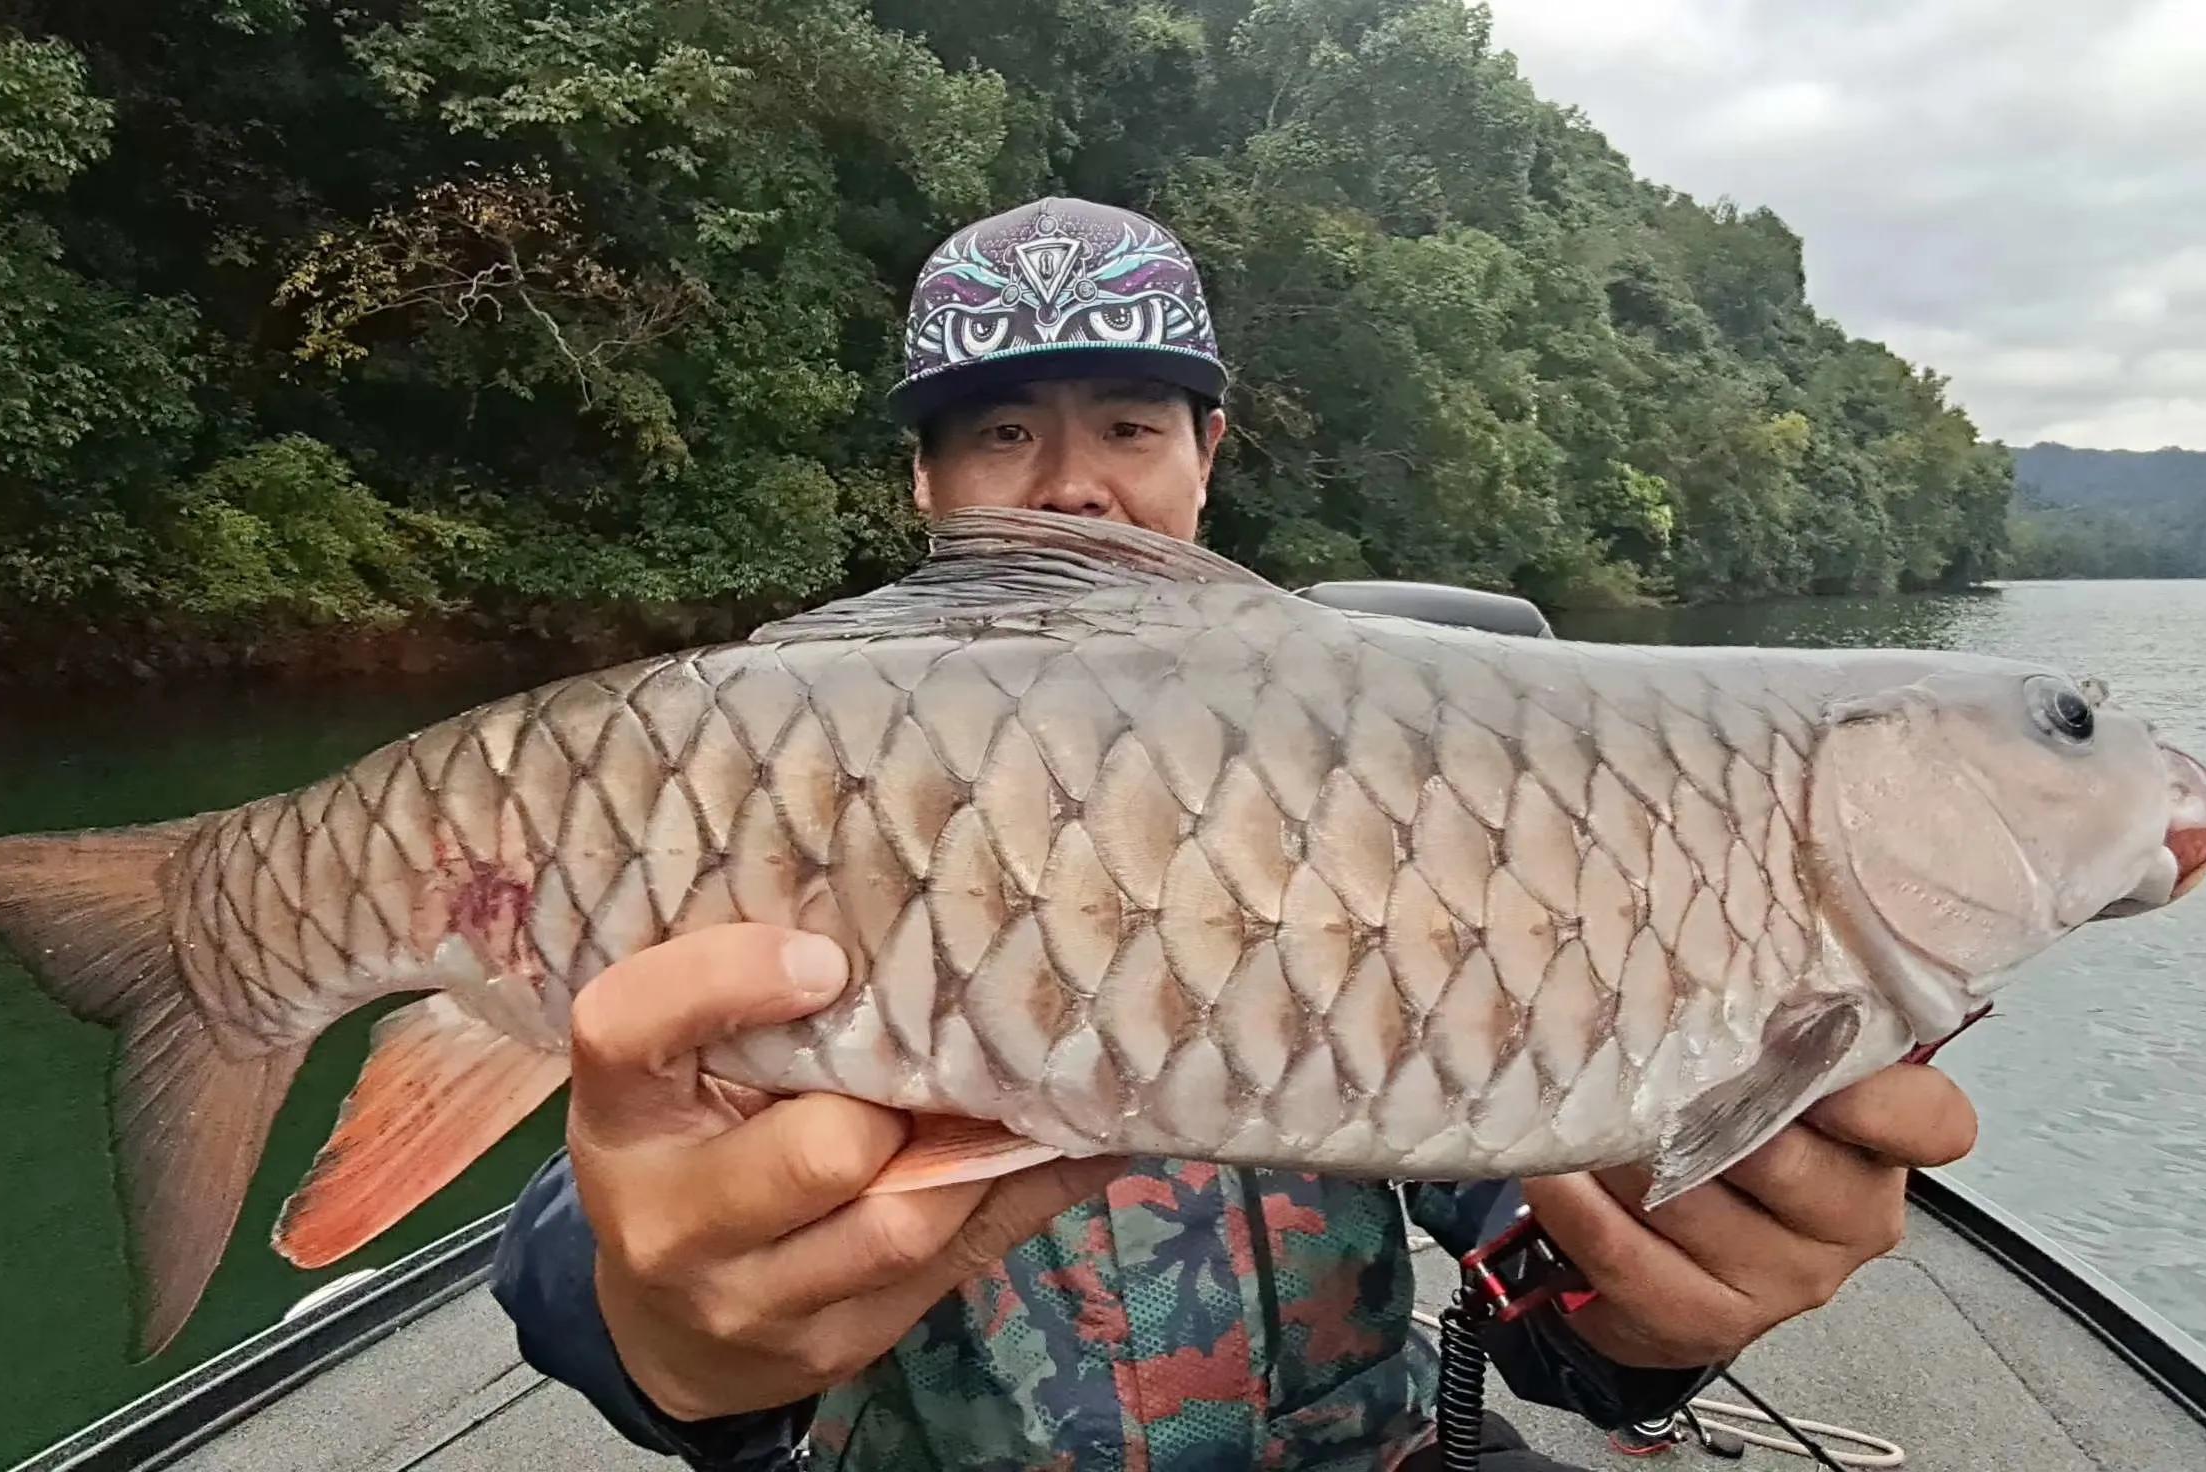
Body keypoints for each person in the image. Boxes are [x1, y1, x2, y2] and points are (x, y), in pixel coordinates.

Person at [488, 197, 1979, 1471]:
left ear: (1209, 455)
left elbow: (1542, 1239)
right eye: (1003, 430)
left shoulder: (1408, 766)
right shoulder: (776, 748)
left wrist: (1655, 1304)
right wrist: (660, 1324)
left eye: (1129, 426)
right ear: (925, 484)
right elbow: (587, 1222)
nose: (1075, 483)